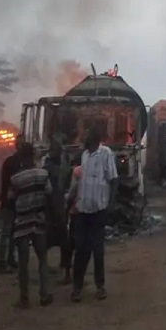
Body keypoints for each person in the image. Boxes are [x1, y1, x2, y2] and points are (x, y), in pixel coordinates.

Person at [71, 126, 118, 302]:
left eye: (89, 135)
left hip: (99, 210)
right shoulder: (83, 156)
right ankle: (77, 287)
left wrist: (111, 204)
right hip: (83, 210)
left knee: (97, 250)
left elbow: (113, 180)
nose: (86, 138)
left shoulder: (106, 154)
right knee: (81, 249)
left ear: (96, 138)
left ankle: (100, 286)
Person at [8, 143, 53, 308]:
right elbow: (49, 194)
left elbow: (11, 199)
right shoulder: (43, 174)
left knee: (23, 262)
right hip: (38, 220)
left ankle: (24, 298)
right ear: (33, 155)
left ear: (21, 157)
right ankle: (44, 294)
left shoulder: (16, 179)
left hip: (22, 223)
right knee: (42, 259)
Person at [42, 138, 72, 283]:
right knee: (60, 241)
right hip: (55, 207)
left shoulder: (51, 167)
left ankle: (62, 270)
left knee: (55, 241)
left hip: (56, 208)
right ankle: (63, 271)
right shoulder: (56, 167)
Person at [0, 134, 23, 274]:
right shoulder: (13, 162)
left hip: (15, 202)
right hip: (10, 202)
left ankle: (10, 259)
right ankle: (3, 262)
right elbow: (6, 183)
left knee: (13, 232)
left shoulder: (12, 161)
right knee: (7, 232)